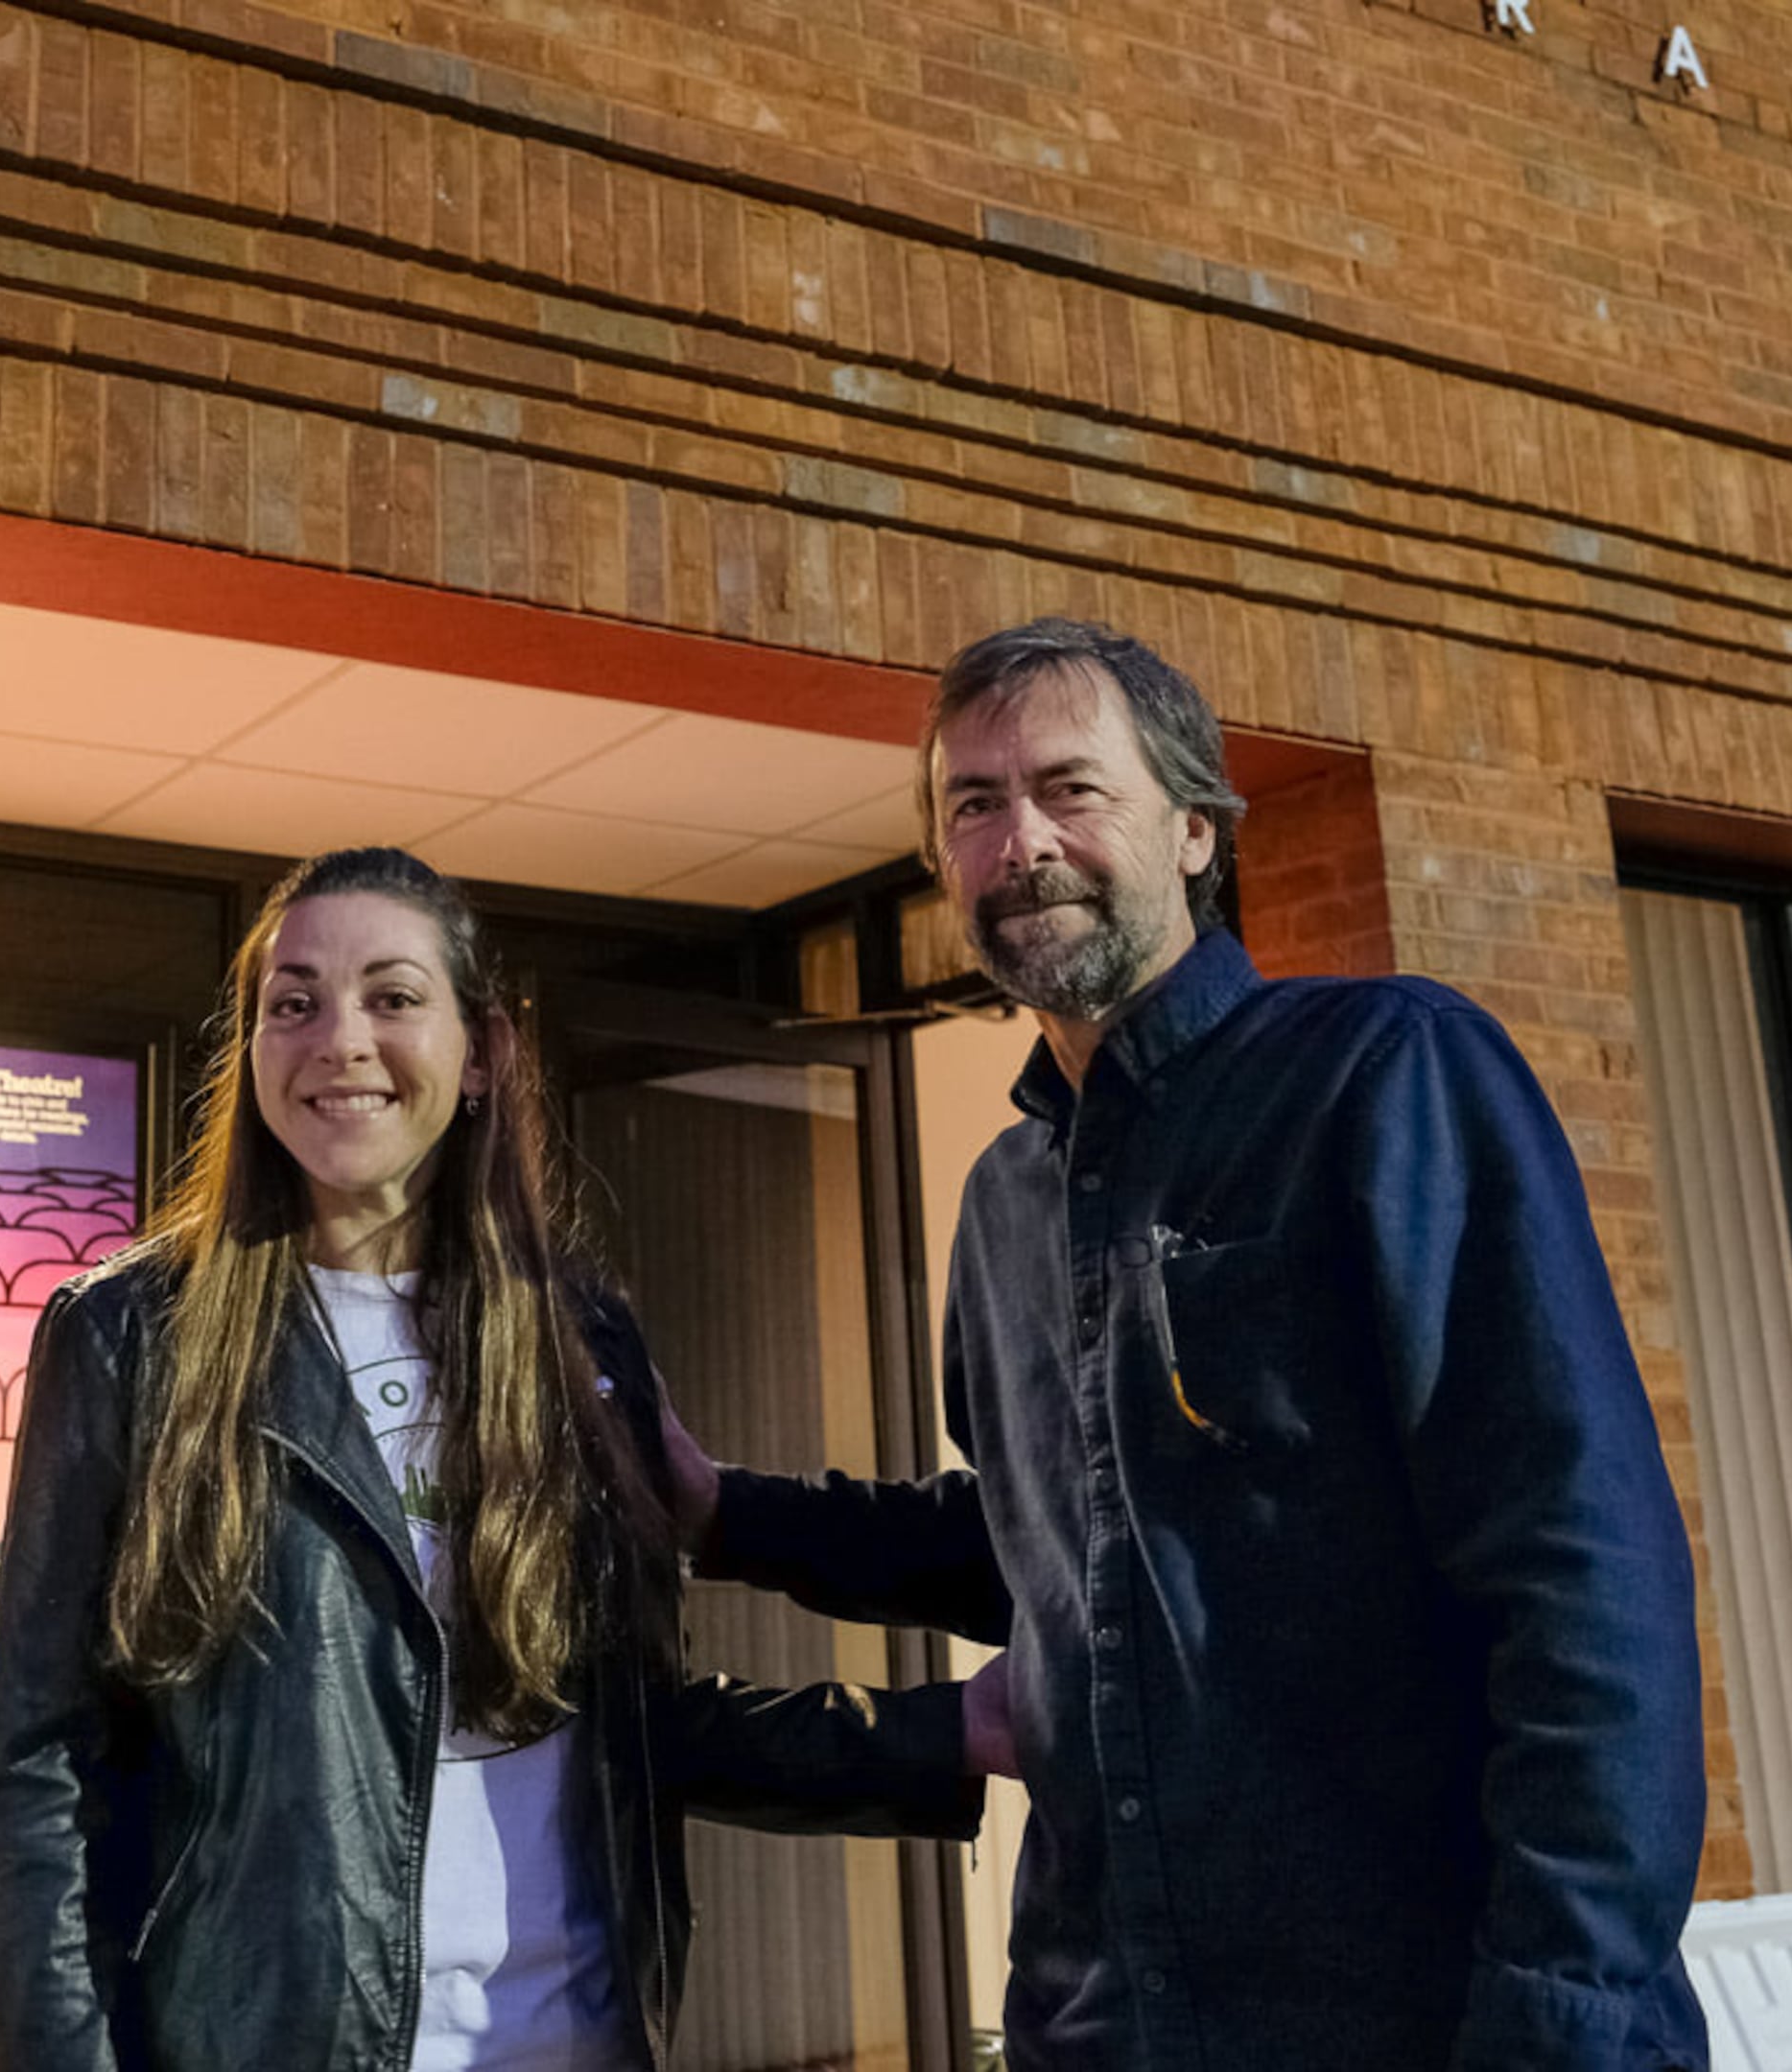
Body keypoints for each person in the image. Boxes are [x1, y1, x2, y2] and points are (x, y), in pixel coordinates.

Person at [662, 619, 1709, 2071]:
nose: (1021, 838)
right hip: (1107, 2026)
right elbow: (1047, 1550)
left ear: (1198, 833)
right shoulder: (1005, 1200)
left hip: (1414, 2023)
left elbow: (1586, 1579)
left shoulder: (1387, 1073)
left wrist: (1561, 2018)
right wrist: (722, 1512)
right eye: (973, 805)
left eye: (1072, 790)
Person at [0, 846, 1002, 2072]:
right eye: (292, 1004)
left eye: (394, 997)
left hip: (573, 2034)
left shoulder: (573, 1328)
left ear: (483, 1054)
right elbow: (46, 1768)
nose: (339, 1039)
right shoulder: (129, 1336)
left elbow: (634, 1720)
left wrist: (946, 1732)